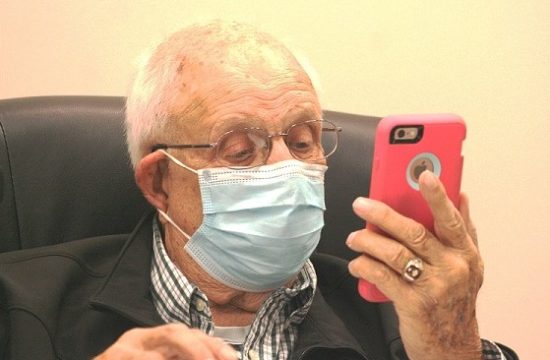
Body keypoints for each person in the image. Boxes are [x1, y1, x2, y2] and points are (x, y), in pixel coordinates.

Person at [0, 21, 517, 360]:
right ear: (159, 182)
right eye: (240, 149)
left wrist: (455, 346)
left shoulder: (405, 313)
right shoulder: (20, 308)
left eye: (302, 141)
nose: (287, 171)